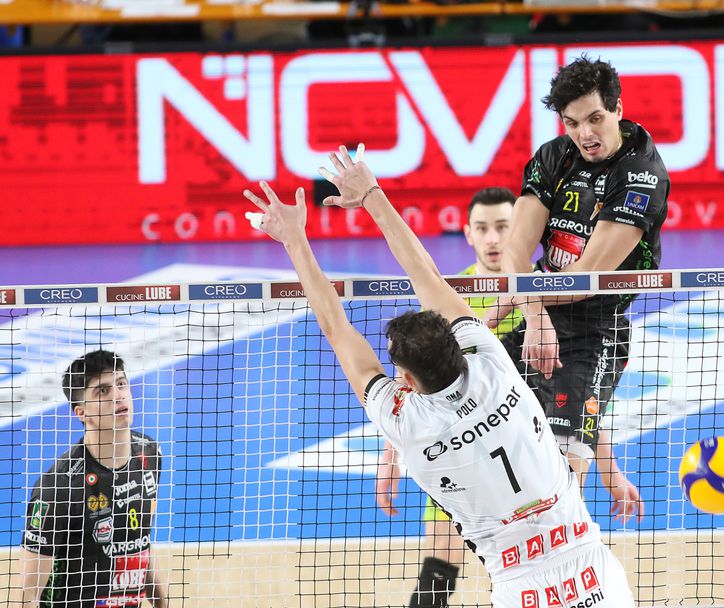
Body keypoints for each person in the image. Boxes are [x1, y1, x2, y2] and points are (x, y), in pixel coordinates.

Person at [242, 144, 636, 608]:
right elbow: (424, 271)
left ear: (406, 383)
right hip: (595, 574)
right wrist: (370, 193)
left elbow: (335, 327)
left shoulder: (406, 423)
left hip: (521, 591)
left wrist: (294, 240)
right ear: (458, 343)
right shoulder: (493, 363)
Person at [490, 55, 669, 501]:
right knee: (478, 415)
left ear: (617, 109)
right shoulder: (553, 157)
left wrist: (520, 303)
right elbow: (514, 251)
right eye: (572, 123)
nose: (585, 134)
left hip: (596, 330)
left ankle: (568, 538)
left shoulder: (641, 174)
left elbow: (585, 277)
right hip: (541, 315)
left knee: (563, 474)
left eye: (595, 119)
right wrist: (532, 317)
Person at [375, 187, 522, 608]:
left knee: (528, 567)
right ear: (468, 234)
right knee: (439, 566)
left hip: (519, 452)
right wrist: (391, 458)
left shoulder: (541, 294)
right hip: (455, 449)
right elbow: (413, 380)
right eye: (483, 228)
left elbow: (577, 382)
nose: (493, 238)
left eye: (503, 228)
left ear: (520, 230)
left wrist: (610, 467)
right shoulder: (449, 294)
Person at [20, 350, 168, 608]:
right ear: (81, 412)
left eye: (121, 384)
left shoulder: (149, 454)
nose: (118, 395)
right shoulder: (58, 488)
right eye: (103, 391)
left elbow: (140, 541)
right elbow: (28, 595)